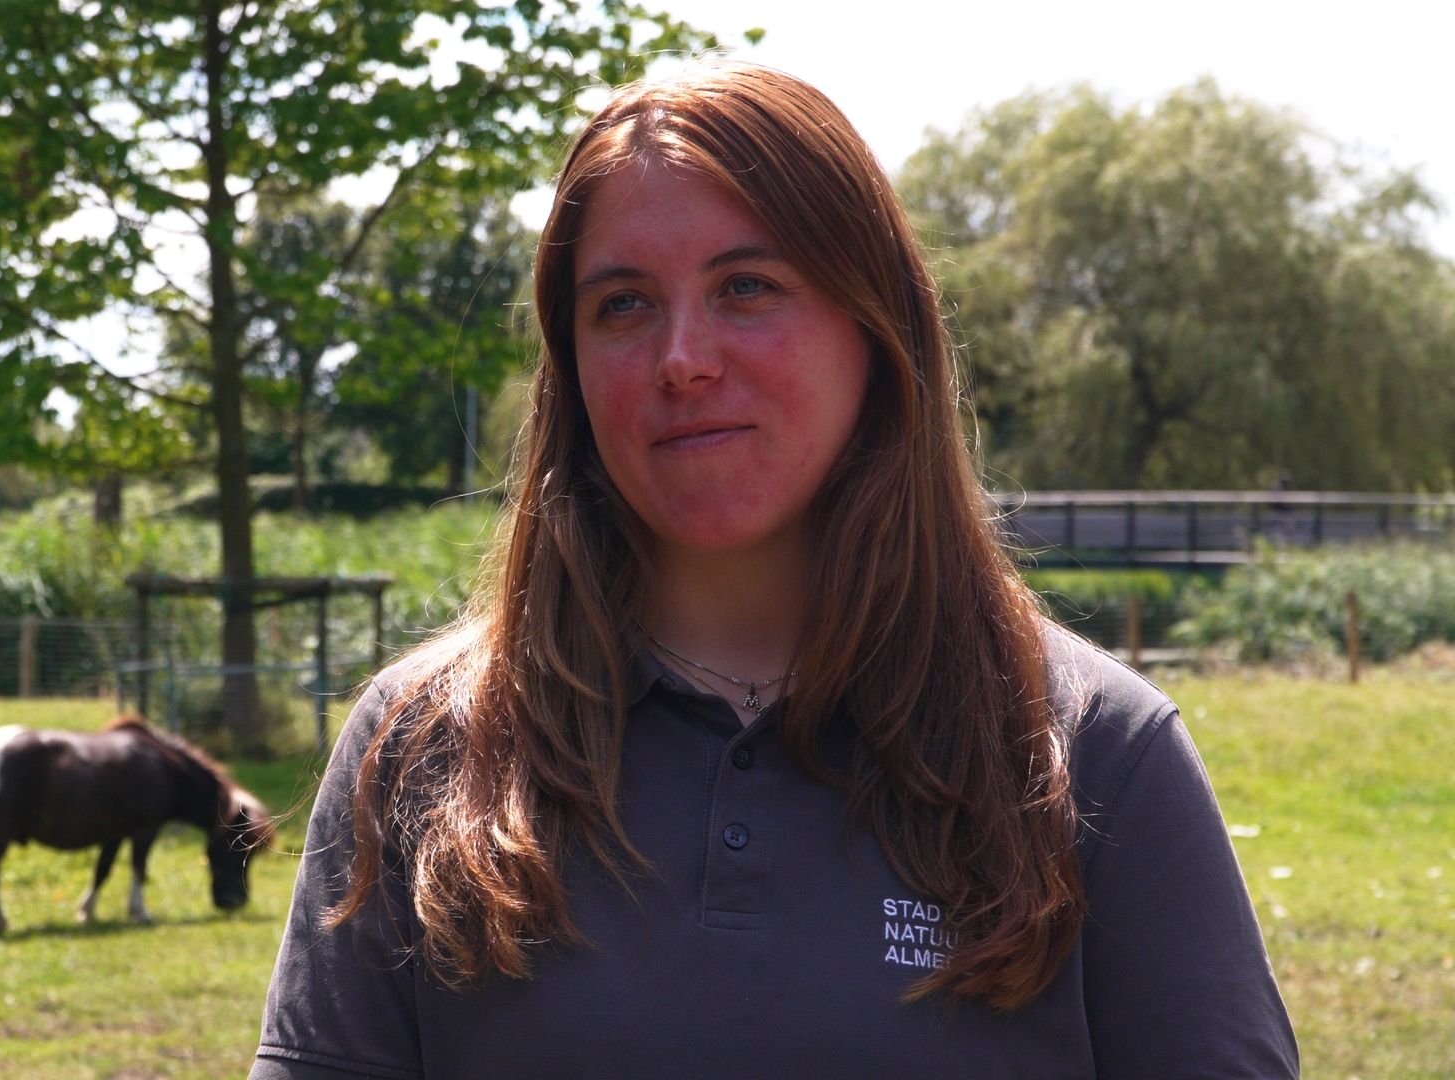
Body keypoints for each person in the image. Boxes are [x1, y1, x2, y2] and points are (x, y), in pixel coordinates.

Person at [252, 64, 1299, 1079]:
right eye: (622, 304)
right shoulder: (422, 751)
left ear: (876, 331)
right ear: (570, 373)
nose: (682, 357)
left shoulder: (1099, 757)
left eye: (746, 287)